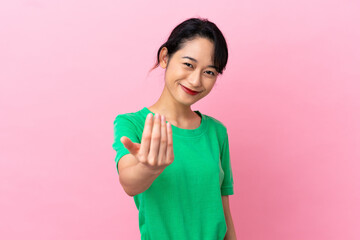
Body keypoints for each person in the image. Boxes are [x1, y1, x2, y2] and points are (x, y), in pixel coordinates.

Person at [112, 17, 236, 240]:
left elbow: (224, 214)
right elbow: (129, 182)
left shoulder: (217, 132)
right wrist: (149, 168)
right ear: (164, 57)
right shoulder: (132, 124)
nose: (196, 80)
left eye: (209, 72)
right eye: (188, 64)